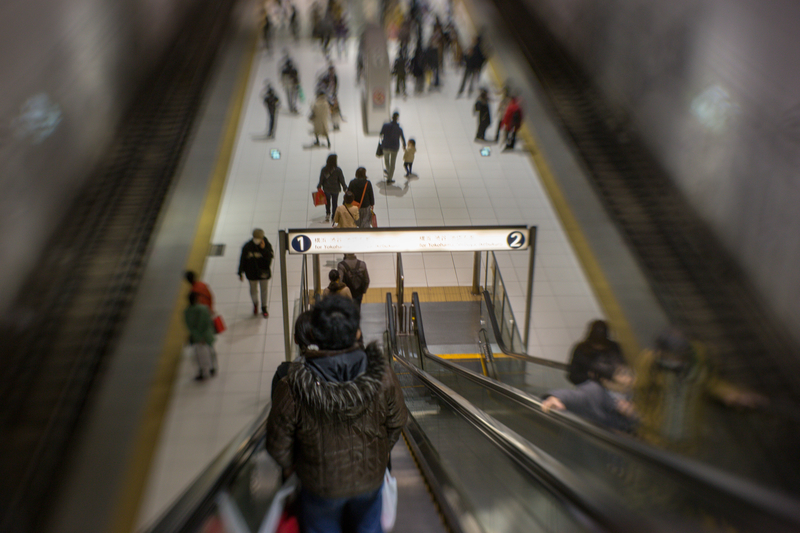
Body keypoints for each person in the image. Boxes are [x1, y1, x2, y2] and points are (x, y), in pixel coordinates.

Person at [266, 296, 408, 533]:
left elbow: (277, 445)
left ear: (316, 335)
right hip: (369, 480)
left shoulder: (292, 386)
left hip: (320, 487)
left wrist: (302, 464)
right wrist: (377, 453)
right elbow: (397, 422)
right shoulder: (383, 376)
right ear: (357, 334)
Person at [633, 328, 766, 451]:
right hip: (657, 437)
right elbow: (640, 392)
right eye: (664, 357)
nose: (670, 361)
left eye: (674, 358)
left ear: (685, 353)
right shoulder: (649, 361)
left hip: (687, 436)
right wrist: (645, 426)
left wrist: (730, 393)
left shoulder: (699, 358)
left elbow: (710, 381)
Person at [542, 365, 637, 433]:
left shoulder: (629, 395)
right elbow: (575, 396)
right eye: (622, 373)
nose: (628, 378)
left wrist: (633, 414)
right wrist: (555, 398)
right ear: (606, 381)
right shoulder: (594, 393)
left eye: (628, 373)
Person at [567, 320, 625, 386]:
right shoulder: (582, 350)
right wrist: (591, 376)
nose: (599, 348)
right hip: (590, 386)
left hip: (613, 385)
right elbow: (573, 375)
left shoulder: (614, 348)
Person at [238, 228, 273, 318]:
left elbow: (269, 258)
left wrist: (263, 249)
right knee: (253, 290)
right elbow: (242, 260)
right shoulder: (247, 247)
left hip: (263, 272)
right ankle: (255, 304)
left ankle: (264, 307)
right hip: (251, 273)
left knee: (264, 290)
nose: (257, 240)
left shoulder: (267, 245)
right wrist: (240, 272)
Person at [184, 292, 218, 380]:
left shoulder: (187, 312)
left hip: (196, 337)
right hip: (206, 335)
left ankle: (202, 371)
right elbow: (207, 323)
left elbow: (189, 326)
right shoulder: (203, 309)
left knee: (198, 356)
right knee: (210, 351)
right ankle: (212, 368)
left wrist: (198, 336)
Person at [317, 154, 347, 222]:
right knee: (334, 202)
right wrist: (345, 188)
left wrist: (319, 186)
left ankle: (328, 213)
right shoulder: (338, 170)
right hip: (335, 189)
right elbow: (342, 179)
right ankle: (334, 216)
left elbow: (321, 179)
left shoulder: (324, 169)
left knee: (327, 202)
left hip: (327, 188)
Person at [379, 112, 406, 183]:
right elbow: (402, 138)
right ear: (397, 119)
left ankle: (388, 171)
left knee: (386, 160)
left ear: (391, 117)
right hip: (394, 147)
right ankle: (389, 179)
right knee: (393, 162)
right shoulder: (399, 129)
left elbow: (381, 133)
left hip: (385, 146)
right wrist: (404, 145)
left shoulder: (385, 125)